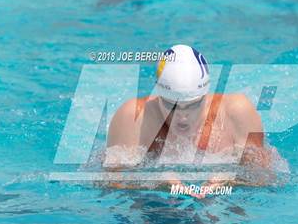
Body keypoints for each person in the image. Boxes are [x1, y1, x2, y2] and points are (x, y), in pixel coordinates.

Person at [106, 44, 271, 197]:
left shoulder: (236, 112)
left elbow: (264, 178)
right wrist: (155, 182)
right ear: (158, 95)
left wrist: (230, 181)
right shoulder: (135, 117)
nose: (182, 117)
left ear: (205, 95)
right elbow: (109, 182)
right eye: (171, 105)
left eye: (193, 105)